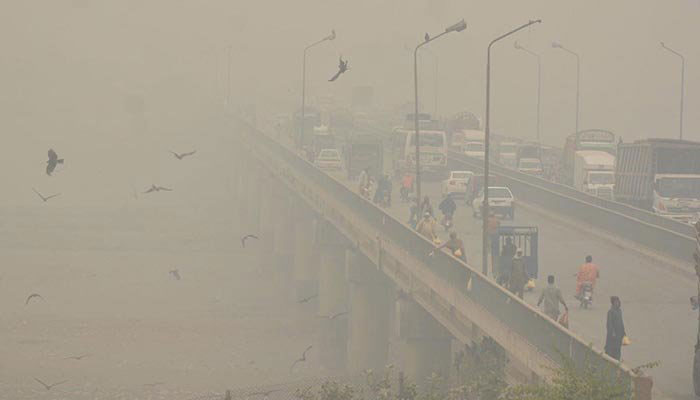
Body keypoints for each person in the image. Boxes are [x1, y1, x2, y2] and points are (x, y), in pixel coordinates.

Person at [604, 296, 626, 361]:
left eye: (618, 302)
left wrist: (624, 332)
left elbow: (621, 322)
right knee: (610, 350)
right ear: (612, 303)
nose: (617, 303)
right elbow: (609, 324)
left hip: (619, 336)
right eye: (615, 302)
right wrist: (612, 333)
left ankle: (617, 362)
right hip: (612, 337)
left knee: (618, 350)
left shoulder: (619, 311)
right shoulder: (610, 312)